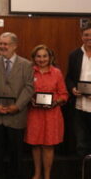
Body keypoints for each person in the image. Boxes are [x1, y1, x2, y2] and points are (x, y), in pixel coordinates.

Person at [0, 32, 34, 179]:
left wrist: (18, 106)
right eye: (0, 43)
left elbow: (29, 88)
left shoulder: (26, 65)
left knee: (16, 153)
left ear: (14, 46)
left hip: (16, 116)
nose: (2, 46)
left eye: (5, 44)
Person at [25, 45, 68, 179]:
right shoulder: (29, 71)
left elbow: (64, 94)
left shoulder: (57, 72)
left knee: (48, 146)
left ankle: (47, 176)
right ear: (34, 58)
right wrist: (30, 99)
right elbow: (24, 91)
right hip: (34, 114)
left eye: (45, 56)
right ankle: (37, 174)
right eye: (38, 56)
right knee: (36, 145)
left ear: (50, 57)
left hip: (52, 115)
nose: (42, 59)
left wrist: (56, 102)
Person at [66, 22, 91, 156]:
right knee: (81, 144)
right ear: (82, 36)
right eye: (86, 35)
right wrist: (72, 89)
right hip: (79, 106)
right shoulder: (74, 54)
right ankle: (83, 174)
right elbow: (69, 77)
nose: (89, 38)